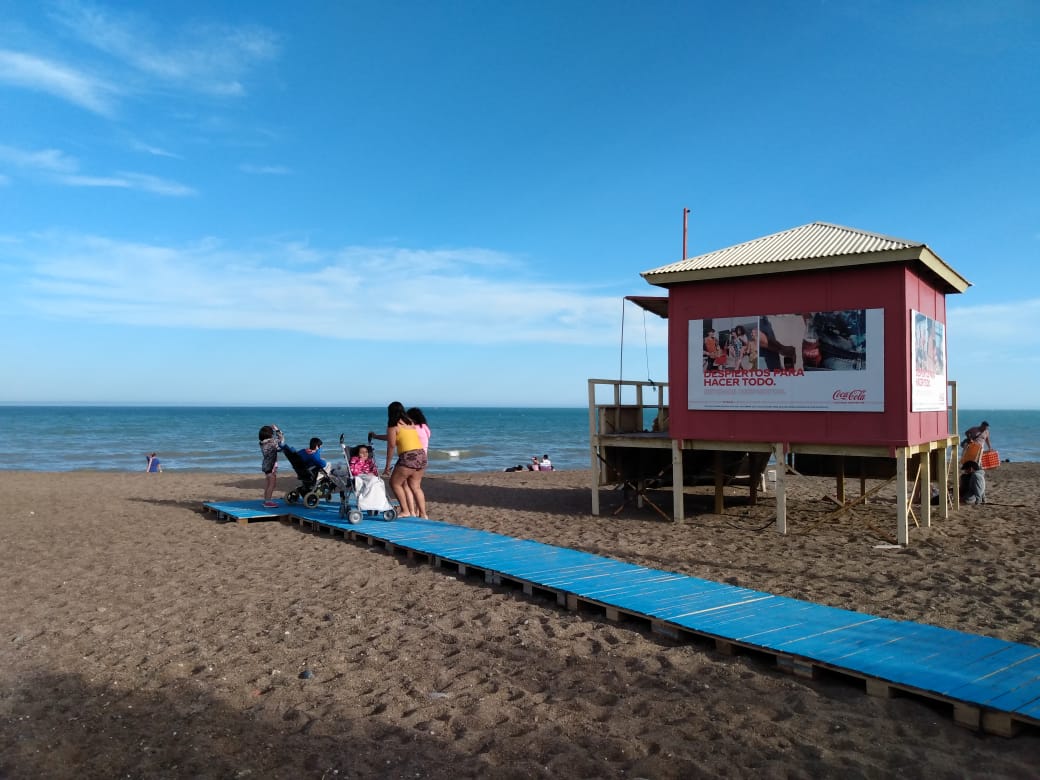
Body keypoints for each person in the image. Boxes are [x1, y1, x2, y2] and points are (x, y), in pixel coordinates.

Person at [388, 412, 428, 518]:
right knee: (416, 487)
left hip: (409, 457)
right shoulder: (416, 426)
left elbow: (392, 444)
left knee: (395, 483)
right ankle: (423, 514)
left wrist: (387, 466)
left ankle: (407, 511)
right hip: (422, 456)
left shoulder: (396, 426)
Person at [259, 424, 284, 508]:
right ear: (269, 434)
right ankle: (268, 502)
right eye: (272, 433)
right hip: (271, 466)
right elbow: (281, 440)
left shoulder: (262, 443)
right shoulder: (271, 442)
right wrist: (277, 430)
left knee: (268, 484)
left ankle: (266, 500)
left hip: (266, 465)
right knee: (272, 485)